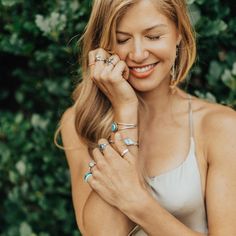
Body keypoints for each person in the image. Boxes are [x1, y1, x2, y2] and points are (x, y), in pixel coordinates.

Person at [57, 0, 236, 235]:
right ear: (105, 46)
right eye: (122, 39)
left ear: (178, 34)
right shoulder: (79, 122)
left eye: (153, 37)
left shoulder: (220, 127)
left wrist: (137, 203)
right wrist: (125, 112)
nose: (138, 54)